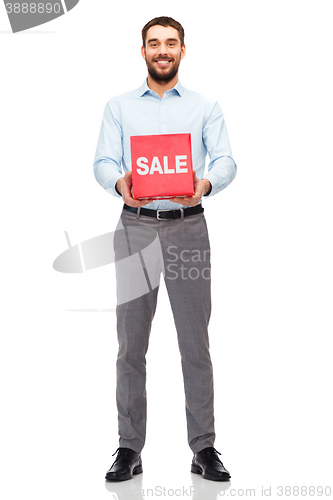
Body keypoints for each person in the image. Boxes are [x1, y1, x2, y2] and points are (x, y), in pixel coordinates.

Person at [93, 16, 236, 482]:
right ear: (143, 51)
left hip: (188, 229)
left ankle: (204, 447)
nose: (162, 50)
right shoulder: (118, 107)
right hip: (135, 228)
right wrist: (119, 182)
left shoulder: (204, 106)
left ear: (182, 50)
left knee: (195, 342)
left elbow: (226, 159)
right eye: (154, 43)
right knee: (131, 343)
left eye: (170, 43)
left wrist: (206, 183)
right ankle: (128, 447)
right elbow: (103, 160)